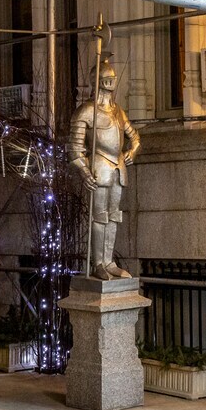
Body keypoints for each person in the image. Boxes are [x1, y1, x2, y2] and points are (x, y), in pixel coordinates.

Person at [68, 49, 140, 280]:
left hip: (118, 168)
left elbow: (135, 137)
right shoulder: (86, 111)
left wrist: (132, 151)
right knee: (99, 216)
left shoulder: (118, 111)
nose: (110, 83)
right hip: (99, 167)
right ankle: (98, 262)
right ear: (97, 82)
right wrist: (84, 170)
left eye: (112, 79)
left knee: (114, 216)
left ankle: (109, 261)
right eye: (106, 79)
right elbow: (74, 148)